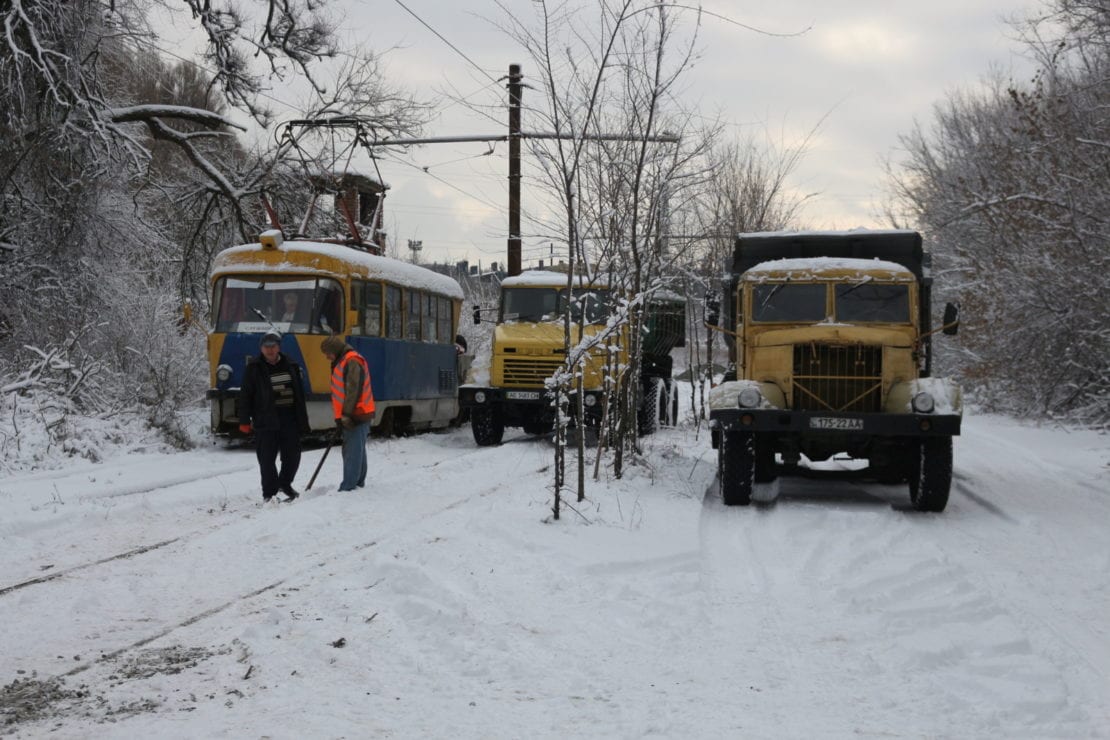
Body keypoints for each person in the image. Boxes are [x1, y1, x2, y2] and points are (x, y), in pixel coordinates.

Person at [239, 329, 309, 502]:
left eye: (273, 346)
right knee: (266, 458)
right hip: (265, 419)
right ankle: (269, 493)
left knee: (292, 455)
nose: (270, 350)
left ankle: (285, 483)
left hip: (289, 418)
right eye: (266, 347)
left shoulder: (291, 365)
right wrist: (244, 419)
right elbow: (245, 395)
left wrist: (302, 419)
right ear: (261, 348)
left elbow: (299, 393)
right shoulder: (254, 368)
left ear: (279, 347)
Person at [320, 334, 374, 491]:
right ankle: (358, 481)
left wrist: (346, 414)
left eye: (328, 353)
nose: (327, 357)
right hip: (356, 413)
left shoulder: (351, 361)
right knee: (357, 449)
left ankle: (349, 486)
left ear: (335, 350)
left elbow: (353, 391)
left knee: (352, 451)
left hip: (356, 414)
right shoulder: (344, 360)